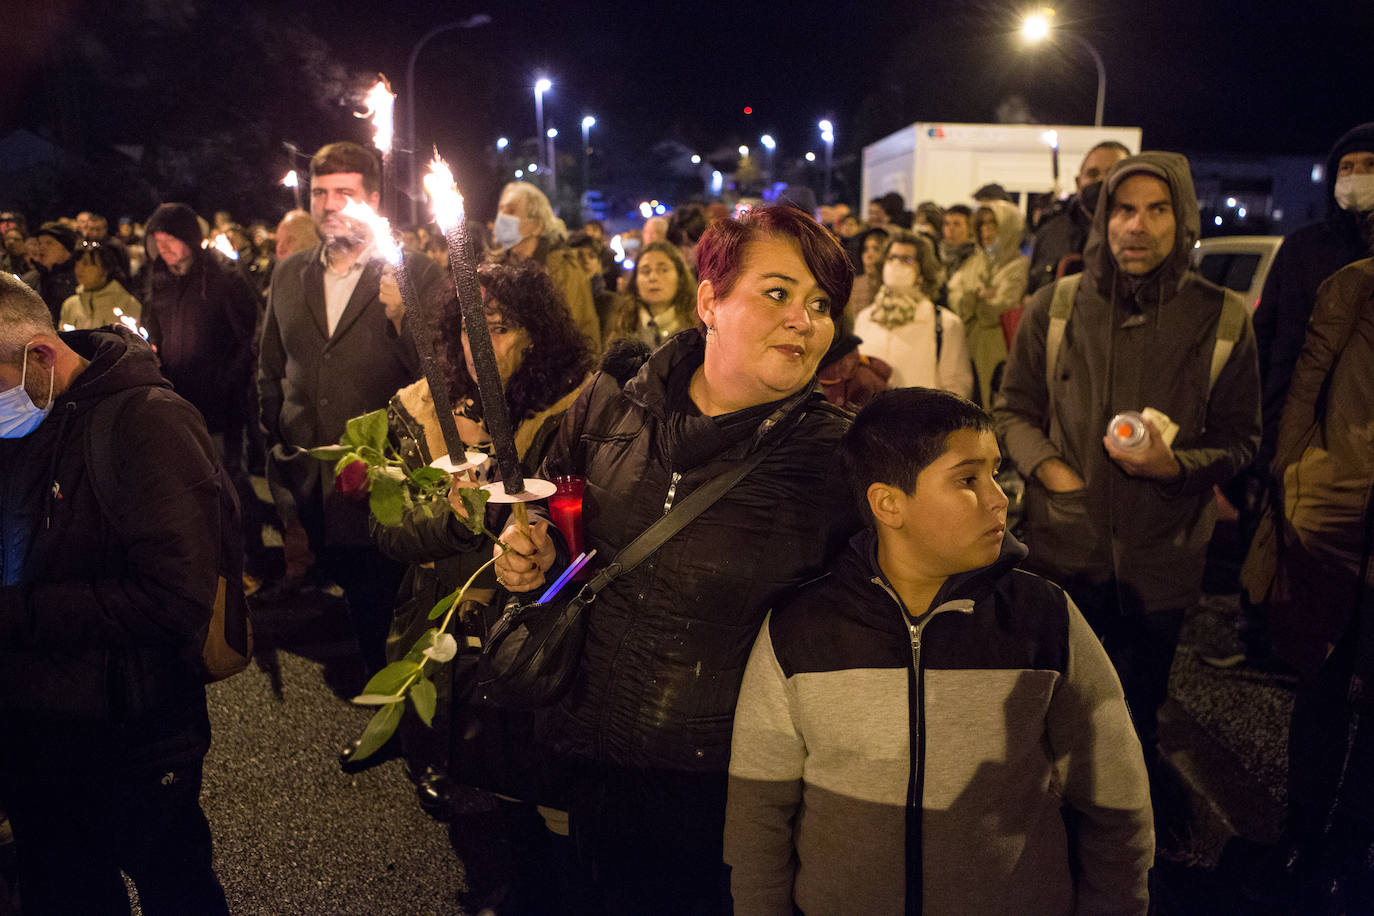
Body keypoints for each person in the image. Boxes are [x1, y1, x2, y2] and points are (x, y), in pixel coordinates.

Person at [493, 205, 860, 914]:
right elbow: (544, 500)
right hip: (577, 752)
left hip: (716, 797)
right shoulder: (610, 403)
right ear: (709, 302)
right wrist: (525, 546)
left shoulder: (837, 460)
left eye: (821, 304)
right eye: (777, 292)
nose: (804, 320)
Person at [725, 387, 1153, 914]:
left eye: (996, 473)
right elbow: (757, 814)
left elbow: (1115, 796)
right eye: (968, 479)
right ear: (888, 503)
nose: (1000, 497)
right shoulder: (802, 630)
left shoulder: (1043, 618)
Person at [994, 152, 1261, 757]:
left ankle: (1133, 828)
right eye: (1123, 209)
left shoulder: (1221, 317)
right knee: (1057, 706)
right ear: (1103, 218)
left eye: (1157, 210)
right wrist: (1053, 472)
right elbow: (1010, 409)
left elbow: (1242, 439)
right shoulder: (1055, 306)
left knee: (1139, 705)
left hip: (1162, 556)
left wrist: (1177, 468)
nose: (1136, 226)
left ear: (1183, 219)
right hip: (1065, 548)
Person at [0, 273, 229, 914]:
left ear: (41, 356)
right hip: (33, 735)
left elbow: (174, 596)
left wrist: (14, 614)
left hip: (133, 731)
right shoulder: (21, 420)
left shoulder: (148, 423)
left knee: (174, 888)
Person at [375, 261, 593, 906]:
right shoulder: (417, 411)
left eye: (497, 327)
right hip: (440, 635)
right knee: (471, 817)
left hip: (537, 642)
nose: (479, 343)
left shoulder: (573, 413)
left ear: (537, 335)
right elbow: (388, 531)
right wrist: (452, 515)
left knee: (539, 817)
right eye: (467, 327)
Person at [257, 141, 446, 688]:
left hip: (385, 483)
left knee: (386, 604)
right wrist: (282, 444)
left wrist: (402, 313)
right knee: (350, 598)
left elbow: (441, 379)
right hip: (309, 476)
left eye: (344, 192)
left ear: (373, 199)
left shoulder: (417, 274)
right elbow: (271, 369)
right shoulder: (290, 274)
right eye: (319, 193)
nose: (330, 204)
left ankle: (405, 725)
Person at [142, 202, 260, 482]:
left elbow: (250, 336)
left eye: (171, 239)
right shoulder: (159, 281)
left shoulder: (224, 278)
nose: (164, 247)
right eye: (158, 241)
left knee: (226, 480)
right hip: (177, 399)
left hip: (221, 407)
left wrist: (226, 381)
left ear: (189, 238)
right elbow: (152, 327)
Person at [853, 229, 972, 398]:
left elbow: (956, 388)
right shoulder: (865, 318)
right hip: (871, 420)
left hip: (922, 421)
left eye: (906, 260)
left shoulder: (945, 324)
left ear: (922, 271)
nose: (896, 264)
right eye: (892, 257)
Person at [490, 181, 601, 350]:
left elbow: (575, 334)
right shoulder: (493, 267)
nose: (502, 217)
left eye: (511, 211)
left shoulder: (563, 269)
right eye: (501, 209)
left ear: (537, 225)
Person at [948, 199, 1029, 406]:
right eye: (982, 225)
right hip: (967, 345)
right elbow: (955, 296)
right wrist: (978, 296)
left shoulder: (1019, 266)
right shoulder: (974, 262)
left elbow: (1004, 305)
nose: (986, 232)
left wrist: (976, 300)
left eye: (993, 225)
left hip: (997, 350)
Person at [1026, 141, 1132, 296]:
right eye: (1093, 174)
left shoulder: (1140, 231)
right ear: (1077, 182)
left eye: (1112, 173)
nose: (1102, 181)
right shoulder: (1052, 232)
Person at [603, 240, 696, 348]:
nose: (653, 277)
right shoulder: (621, 326)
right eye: (645, 271)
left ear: (680, 277)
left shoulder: (696, 329)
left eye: (663, 270)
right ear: (635, 281)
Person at [59, 241, 141, 330]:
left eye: (86, 264)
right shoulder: (70, 305)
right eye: (77, 264)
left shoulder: (127, 304)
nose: (79, 269)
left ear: (104, 269)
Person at [21, 222, 79, 323]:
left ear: (66, 249)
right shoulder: (30, 279)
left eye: (49, 243)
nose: (41, 248)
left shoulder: (80, 277)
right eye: (39, 243)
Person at [938, 203, 976, 275]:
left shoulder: (975, 258)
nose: (950, 229)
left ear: (970, 228)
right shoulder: (938, 255)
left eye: (956, 224)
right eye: (946, 224)